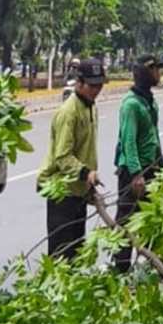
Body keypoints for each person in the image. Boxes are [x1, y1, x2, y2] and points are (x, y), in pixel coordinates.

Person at [37, 57, 106, 259]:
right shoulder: (69, 112)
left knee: (76, 249)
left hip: (79, 190)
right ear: (79, 82)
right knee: (61, 254)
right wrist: (85, 173)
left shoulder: (92, 107)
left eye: (99, 85)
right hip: (62, 190)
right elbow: (62, 156)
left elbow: (85, 150)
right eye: (92, 85)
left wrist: (88, 185)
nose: (96, 89)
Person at [113, 54, 163, 273]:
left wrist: (161, 166)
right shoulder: (131, 105)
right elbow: (129, 142)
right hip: (133, 172)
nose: (160, 74)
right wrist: (136, 175)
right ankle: (121, 269)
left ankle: (161, 263)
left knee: (157, 216)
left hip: (151, 167)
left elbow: (153, 136)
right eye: (155, 69)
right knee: (127, 221)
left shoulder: (148, 101)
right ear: (146, 73)